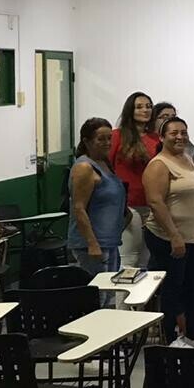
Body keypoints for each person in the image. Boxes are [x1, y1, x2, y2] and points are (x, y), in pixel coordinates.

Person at [141, 117, 194, 346]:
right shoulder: (159, 164)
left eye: (183, 132)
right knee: (174, 288)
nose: (180, 136)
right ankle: (171, 338)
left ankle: (193, 334)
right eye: (174, 133)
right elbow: (155, 202)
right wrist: (174, 236)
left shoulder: (188, 159)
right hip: (168, 237)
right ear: (162, 137)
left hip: (193, 236)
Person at [67, 117, 127, 279]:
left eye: (109, 138)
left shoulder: (104, 163)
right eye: (101, 139)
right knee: (101, 293)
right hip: (93, 244)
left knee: (111, 292)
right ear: (87, 141)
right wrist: (92, 244)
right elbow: (79, 208)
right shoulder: (84, 167)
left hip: (110, 241)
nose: (107, 143)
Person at [110, 91, 159, 270]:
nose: (145, 110)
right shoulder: (117, 136)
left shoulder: (155, 138)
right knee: (128, 258)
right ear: (130, 110)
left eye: (148, 106)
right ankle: (122, 299)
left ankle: (142, 298)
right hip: (128, 204)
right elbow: (107, 167)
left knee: (146, 259)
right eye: (139, 107)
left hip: (152, 204)